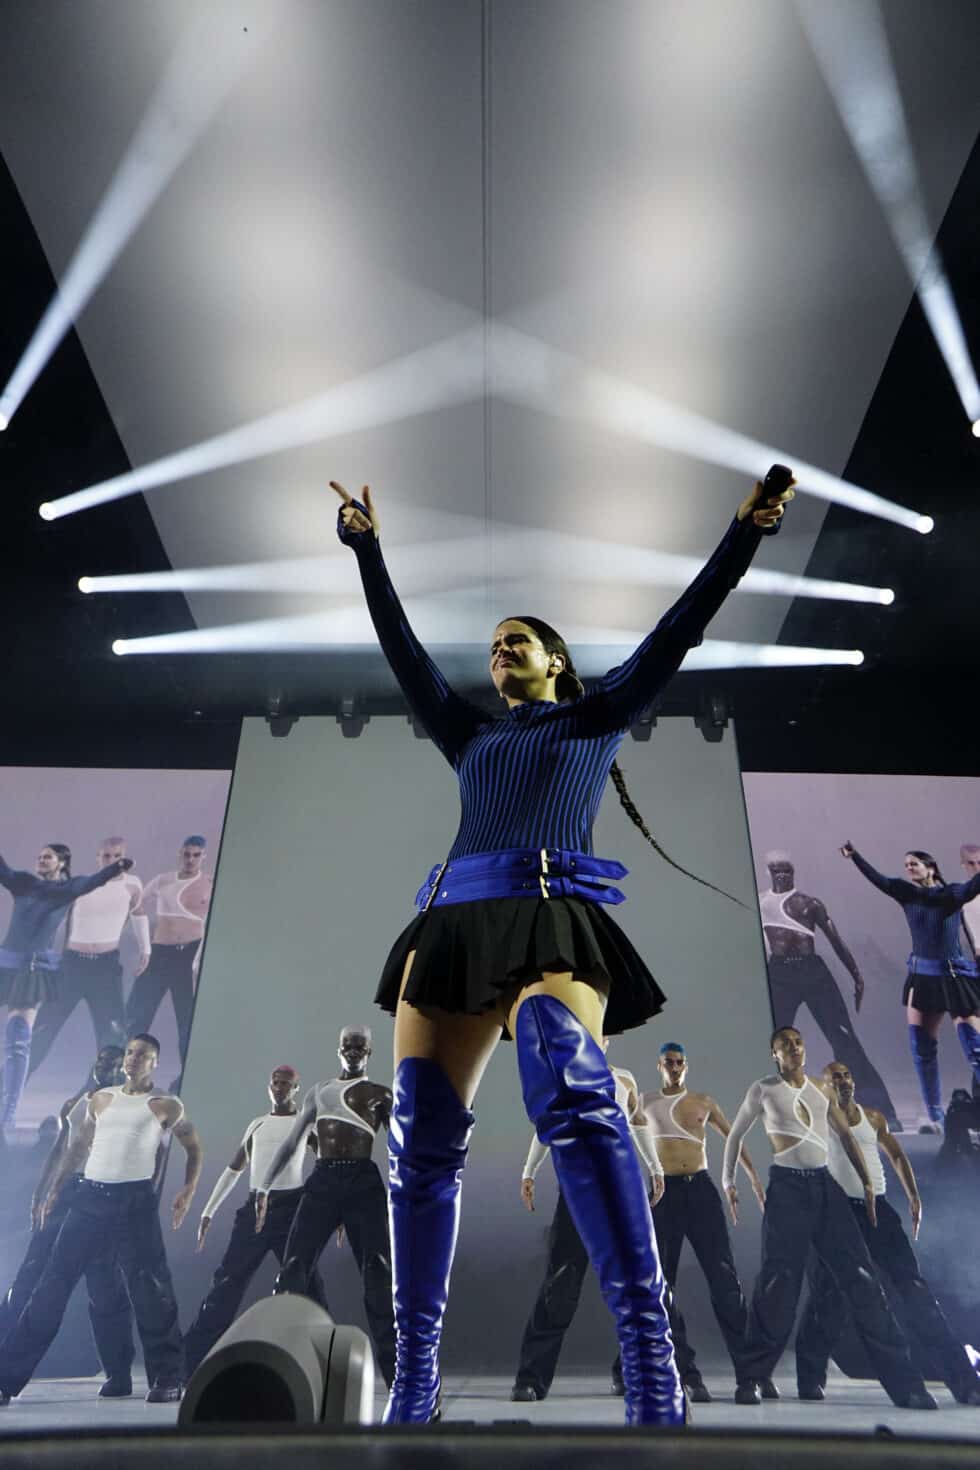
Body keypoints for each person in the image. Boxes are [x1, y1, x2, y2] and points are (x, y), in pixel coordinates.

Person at [331, 469, 793, 1425]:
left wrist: (742, 537)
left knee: (570, 1087)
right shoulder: (466, 734)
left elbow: (678, 632)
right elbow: (405, 655)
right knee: (420, 1143)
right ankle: (414, 1381)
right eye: (496, 644)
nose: (500, 651)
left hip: (549, 918)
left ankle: (651, 1366)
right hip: (453, 923)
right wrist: (369, 553)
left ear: (556, 662)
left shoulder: (597, 715)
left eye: (519, 643)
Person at [722, 1026, 933, 1409]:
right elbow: (735, 1134)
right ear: (775, 1053)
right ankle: (751, 1378)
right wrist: (729, 1181)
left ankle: (907, 1386)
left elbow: (848, 1135)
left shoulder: (821, 1089)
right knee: (778, 1283)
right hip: (787, 1188)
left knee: (863, 1280)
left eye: (799, 1043)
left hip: (825, 1188)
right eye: (785, 1045)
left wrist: (868, 1185)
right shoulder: (764, 1088)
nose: (794, 1049)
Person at [0, 1033, 200, 1407]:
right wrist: (56, 1190)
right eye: (130, 1053)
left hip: (133, 1204)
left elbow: (193, 1147)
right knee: (50, 1289)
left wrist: (186, 1191)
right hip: (90, 1199)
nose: (133, 1059)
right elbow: (76, 1147)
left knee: (151, 1291)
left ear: (155, 1062)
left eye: (143, 1055)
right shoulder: (100, 1099)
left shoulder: (166, 1105)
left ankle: (168, 1377)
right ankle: (5, 1379)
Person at [795, 1061, 980, 1405]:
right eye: (834, 1077)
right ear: (825, 1086)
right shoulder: (817, 1118)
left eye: (846, 1075)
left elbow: (895, 1153)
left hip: (878, 1211)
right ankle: (811, 1373)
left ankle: (964, 1380)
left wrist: (912, 1196)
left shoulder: (873, 1117)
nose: (843, 1081)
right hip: (837, 1217)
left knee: (914, 1289)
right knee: (830, 1296)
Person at [510, 1046, 663, 1402]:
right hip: (580, 1182)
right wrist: (528, 1171)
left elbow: (637, 1120)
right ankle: (531, 1377)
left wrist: (655, 1168)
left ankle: (638, 1373)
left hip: (623, 1182)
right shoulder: (567, 1073)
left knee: (639, 1278)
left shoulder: (625, 1078)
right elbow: (549, 1122)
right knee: (562, 1279)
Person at [255, 1025, 396, 1388]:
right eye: (347, 1045)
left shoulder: (381, 1094)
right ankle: (284, 1366)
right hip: (323, 1181)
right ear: (338, 1050)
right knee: (293, 1269)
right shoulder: (319, 1092)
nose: (352, 1051)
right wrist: (264, 1186)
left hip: (363, 1183)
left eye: (359, 1046)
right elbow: (292, 1142)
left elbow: (400, 1148)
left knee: (379, 1272)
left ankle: (401, 1375)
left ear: (369, 1052)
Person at [0, 1045, 135, 1396]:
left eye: (115, 1063)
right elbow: (60, 1151)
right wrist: (40, 1194)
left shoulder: (126, 1108)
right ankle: (6, 1373)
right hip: (66, 1195)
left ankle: (119, 1373)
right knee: (32, 1278)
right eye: (103, 1060)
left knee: (102, 1290)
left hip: (101, 1198)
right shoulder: (74, 1105)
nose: (107, 1066)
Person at [641, 1041, 768, 1404]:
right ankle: (686, 1373)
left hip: (701, 1192)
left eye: (681, 1062)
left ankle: (749, 1376)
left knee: (725, 1279)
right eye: (669, 1062)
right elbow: (625, 1136)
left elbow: (734, 1139)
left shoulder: (704, 1101)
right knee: (661, 1283)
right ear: (660, 1065)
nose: (676, 1067)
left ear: (687, 1065)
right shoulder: (646, 1103)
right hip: (663, 1193)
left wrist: (747, 1180)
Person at [183, 1064, 327, 1376]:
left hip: (292, 1210)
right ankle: (189, 1363)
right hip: (254, 1211)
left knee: (307, 1283)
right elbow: (234, 1169)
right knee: (226, 1282)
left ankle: (325, 1361)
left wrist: (334, 1210)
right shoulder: (257, 1124)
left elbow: (328, 1163)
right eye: (274, 1083)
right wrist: (208, 1210)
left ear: (296, 1089)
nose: (279, 1088)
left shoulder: (305, 1124)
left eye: (286, 1084)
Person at [841, 842, 980, 1130]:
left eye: (914, 863)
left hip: (953, 976)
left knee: (974, 1047)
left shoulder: (951, 894)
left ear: (930, 867)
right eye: (906, 865)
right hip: (922, 978)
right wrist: (856, 857)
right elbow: (878, 879)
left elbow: (972, 888)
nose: (909, 868)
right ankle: (934, 1114)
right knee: (922, 1049)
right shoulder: (906, 893)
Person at [0, 844, 134, 1131]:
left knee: (18, 1040)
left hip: (32, 969)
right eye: (39, 855)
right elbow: (3, 871)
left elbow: (90, 882)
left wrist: (115, 868)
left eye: (47, 856)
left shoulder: (66, 890)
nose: (41, 859)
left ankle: (6, 1115)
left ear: (61, 862)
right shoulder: (24, 882)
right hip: (6, 964)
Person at [760, 852, 899, 1127]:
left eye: (787, 870)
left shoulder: (809, 904)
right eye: (777, 871)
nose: (782, 875)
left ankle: (881, 1110)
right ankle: (773, 1110)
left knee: (844, 1038)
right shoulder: (761, 903)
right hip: (779, 974)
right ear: (768, 872)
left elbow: (836, 940)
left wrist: (857, 976)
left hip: (813, 972)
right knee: (773, 1041)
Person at [26, 838, 147, 1083]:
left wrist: (146, 950)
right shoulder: (83, 885)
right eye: (105, 856)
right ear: (97, 857)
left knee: (112, 1038)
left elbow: (139, 912)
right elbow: (53, 917)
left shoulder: (133, 885)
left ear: (123, 857)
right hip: (72, 966)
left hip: (105, 968)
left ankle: (100, 1096)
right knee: (43, 1030)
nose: (111, 861)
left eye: (116, 856)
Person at [125, 837, 212, 1073]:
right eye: (187, 854)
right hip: (160, 955)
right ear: (179, 853)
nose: (191, 859)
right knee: (136, 1015)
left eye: (196, 855)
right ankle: (120, 1072)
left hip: (189, 956)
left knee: (187, 1022)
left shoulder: (209, 884)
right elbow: (135, 904)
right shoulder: (163, 880)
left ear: (203, 856)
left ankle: (189, 1076)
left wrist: (200, 960)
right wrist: (142, 946)